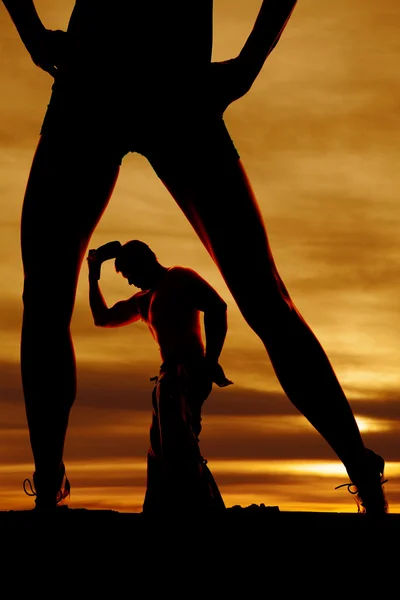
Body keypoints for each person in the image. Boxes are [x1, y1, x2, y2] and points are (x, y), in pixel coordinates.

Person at [2, 0, 387, 514]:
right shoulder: (155, 296)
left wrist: (250, 63)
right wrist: (30, 32)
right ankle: (49, 485)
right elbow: (107, 315)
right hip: (99, 80)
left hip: (165, 86)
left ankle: (362, 471)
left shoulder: (173, 287)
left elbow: (216, 310)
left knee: (265, 297)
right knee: (46, 297)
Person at [87, 239, 232, 515]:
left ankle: (202, 506)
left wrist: (210, 362)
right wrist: (93, 277)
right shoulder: (144, 301)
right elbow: (102, 318)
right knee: (160, 451)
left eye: (131, 274)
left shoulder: (178, 278)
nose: (131, 283)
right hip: (167, 378)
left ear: (146, 260)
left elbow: (217, 306)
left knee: (179, 446)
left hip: (186, 372)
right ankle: (160, 509)